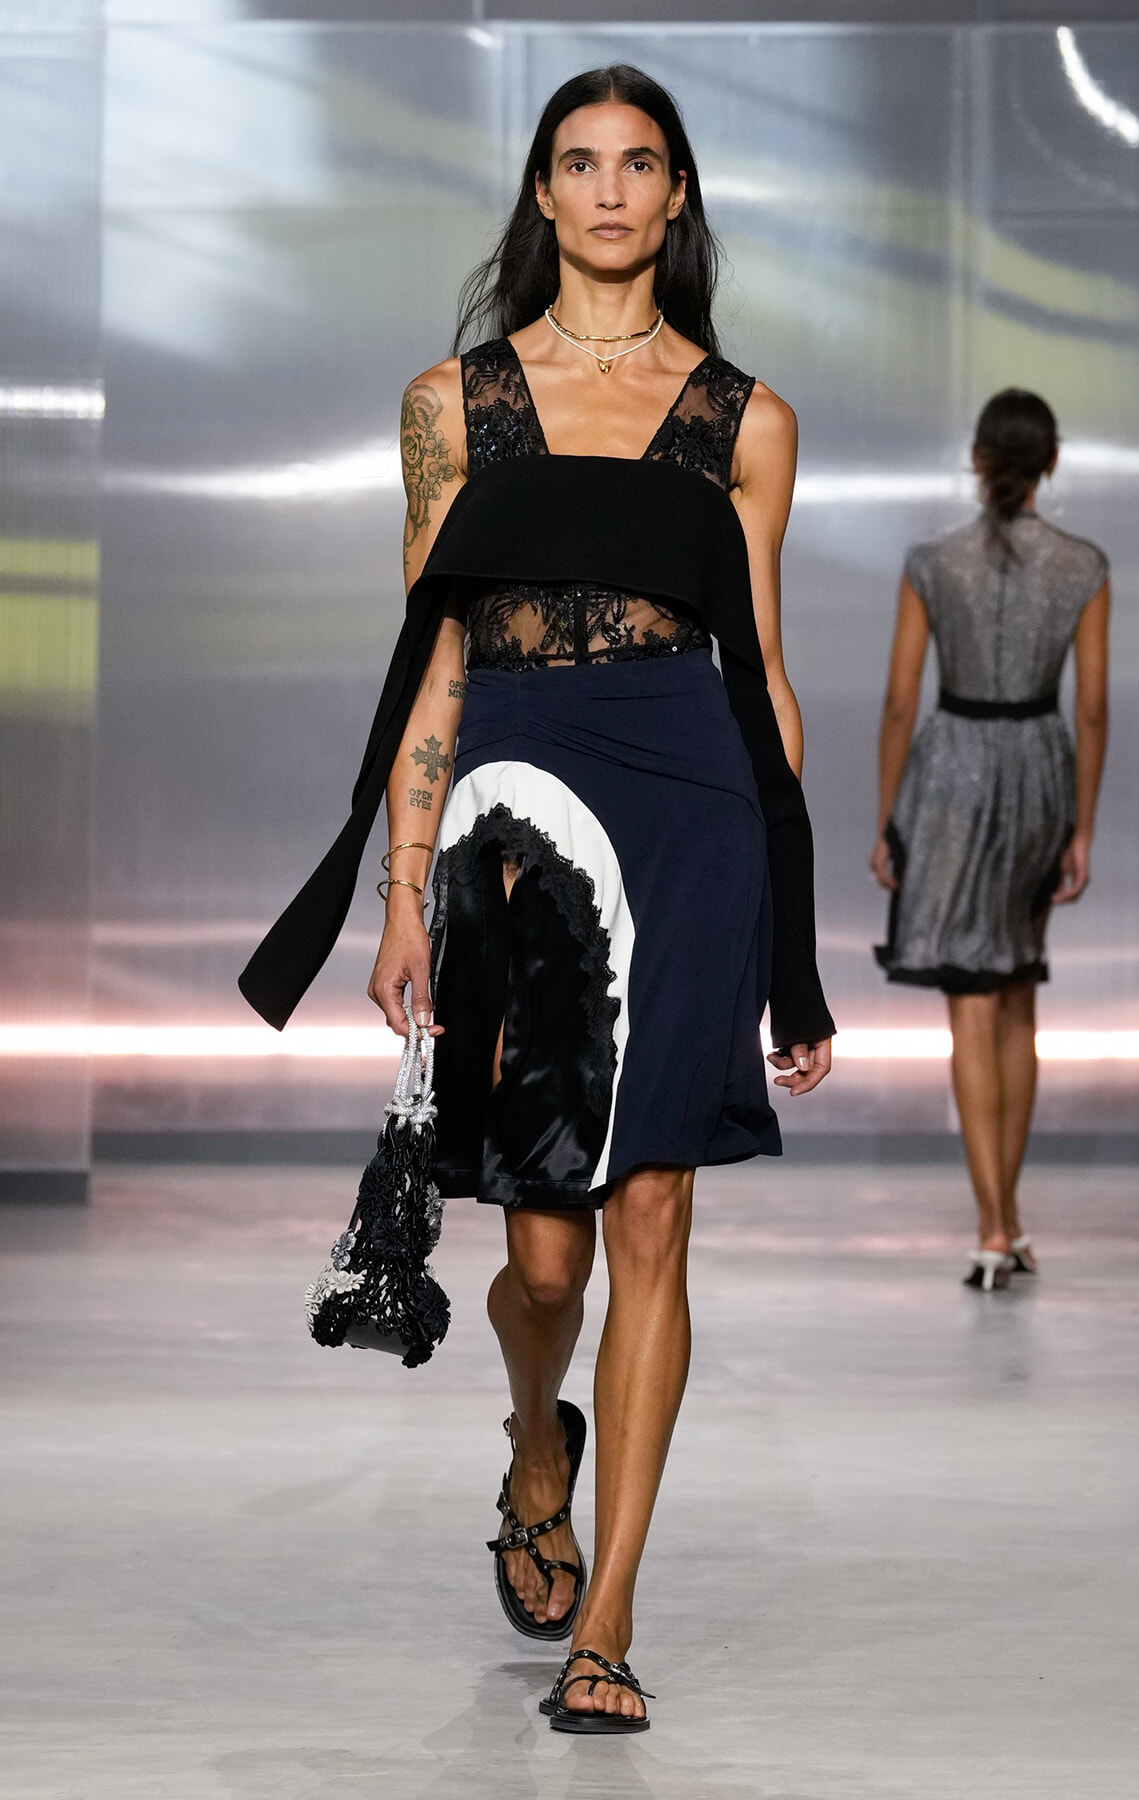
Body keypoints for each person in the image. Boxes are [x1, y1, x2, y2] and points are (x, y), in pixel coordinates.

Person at [239, 64, 834, 1732]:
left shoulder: (746, 419)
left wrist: (789, 947)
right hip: (514, 811)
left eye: (641, 163)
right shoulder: (456, 404)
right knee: (549, 1257)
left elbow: (767, 677)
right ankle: (531, 1443)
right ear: (544, 195)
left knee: (653, 1217)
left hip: (694, 796)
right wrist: (402, 900)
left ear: (679, 196)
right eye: (580, 164)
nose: (611, 192)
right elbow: (432, 657)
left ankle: (612, 1625)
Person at [872, 390, 1109, 1292]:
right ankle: (1007, 1221)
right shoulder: (1083, 566)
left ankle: (992, 1224)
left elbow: (901, 701)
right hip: (1041, 769)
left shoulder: (933, 562)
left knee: (971, 1001)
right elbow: (1090, 706)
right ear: (1048, 463)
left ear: (977, 459)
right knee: (1014, 993)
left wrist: (888, 814)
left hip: (953, 774)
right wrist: (1081, 823)